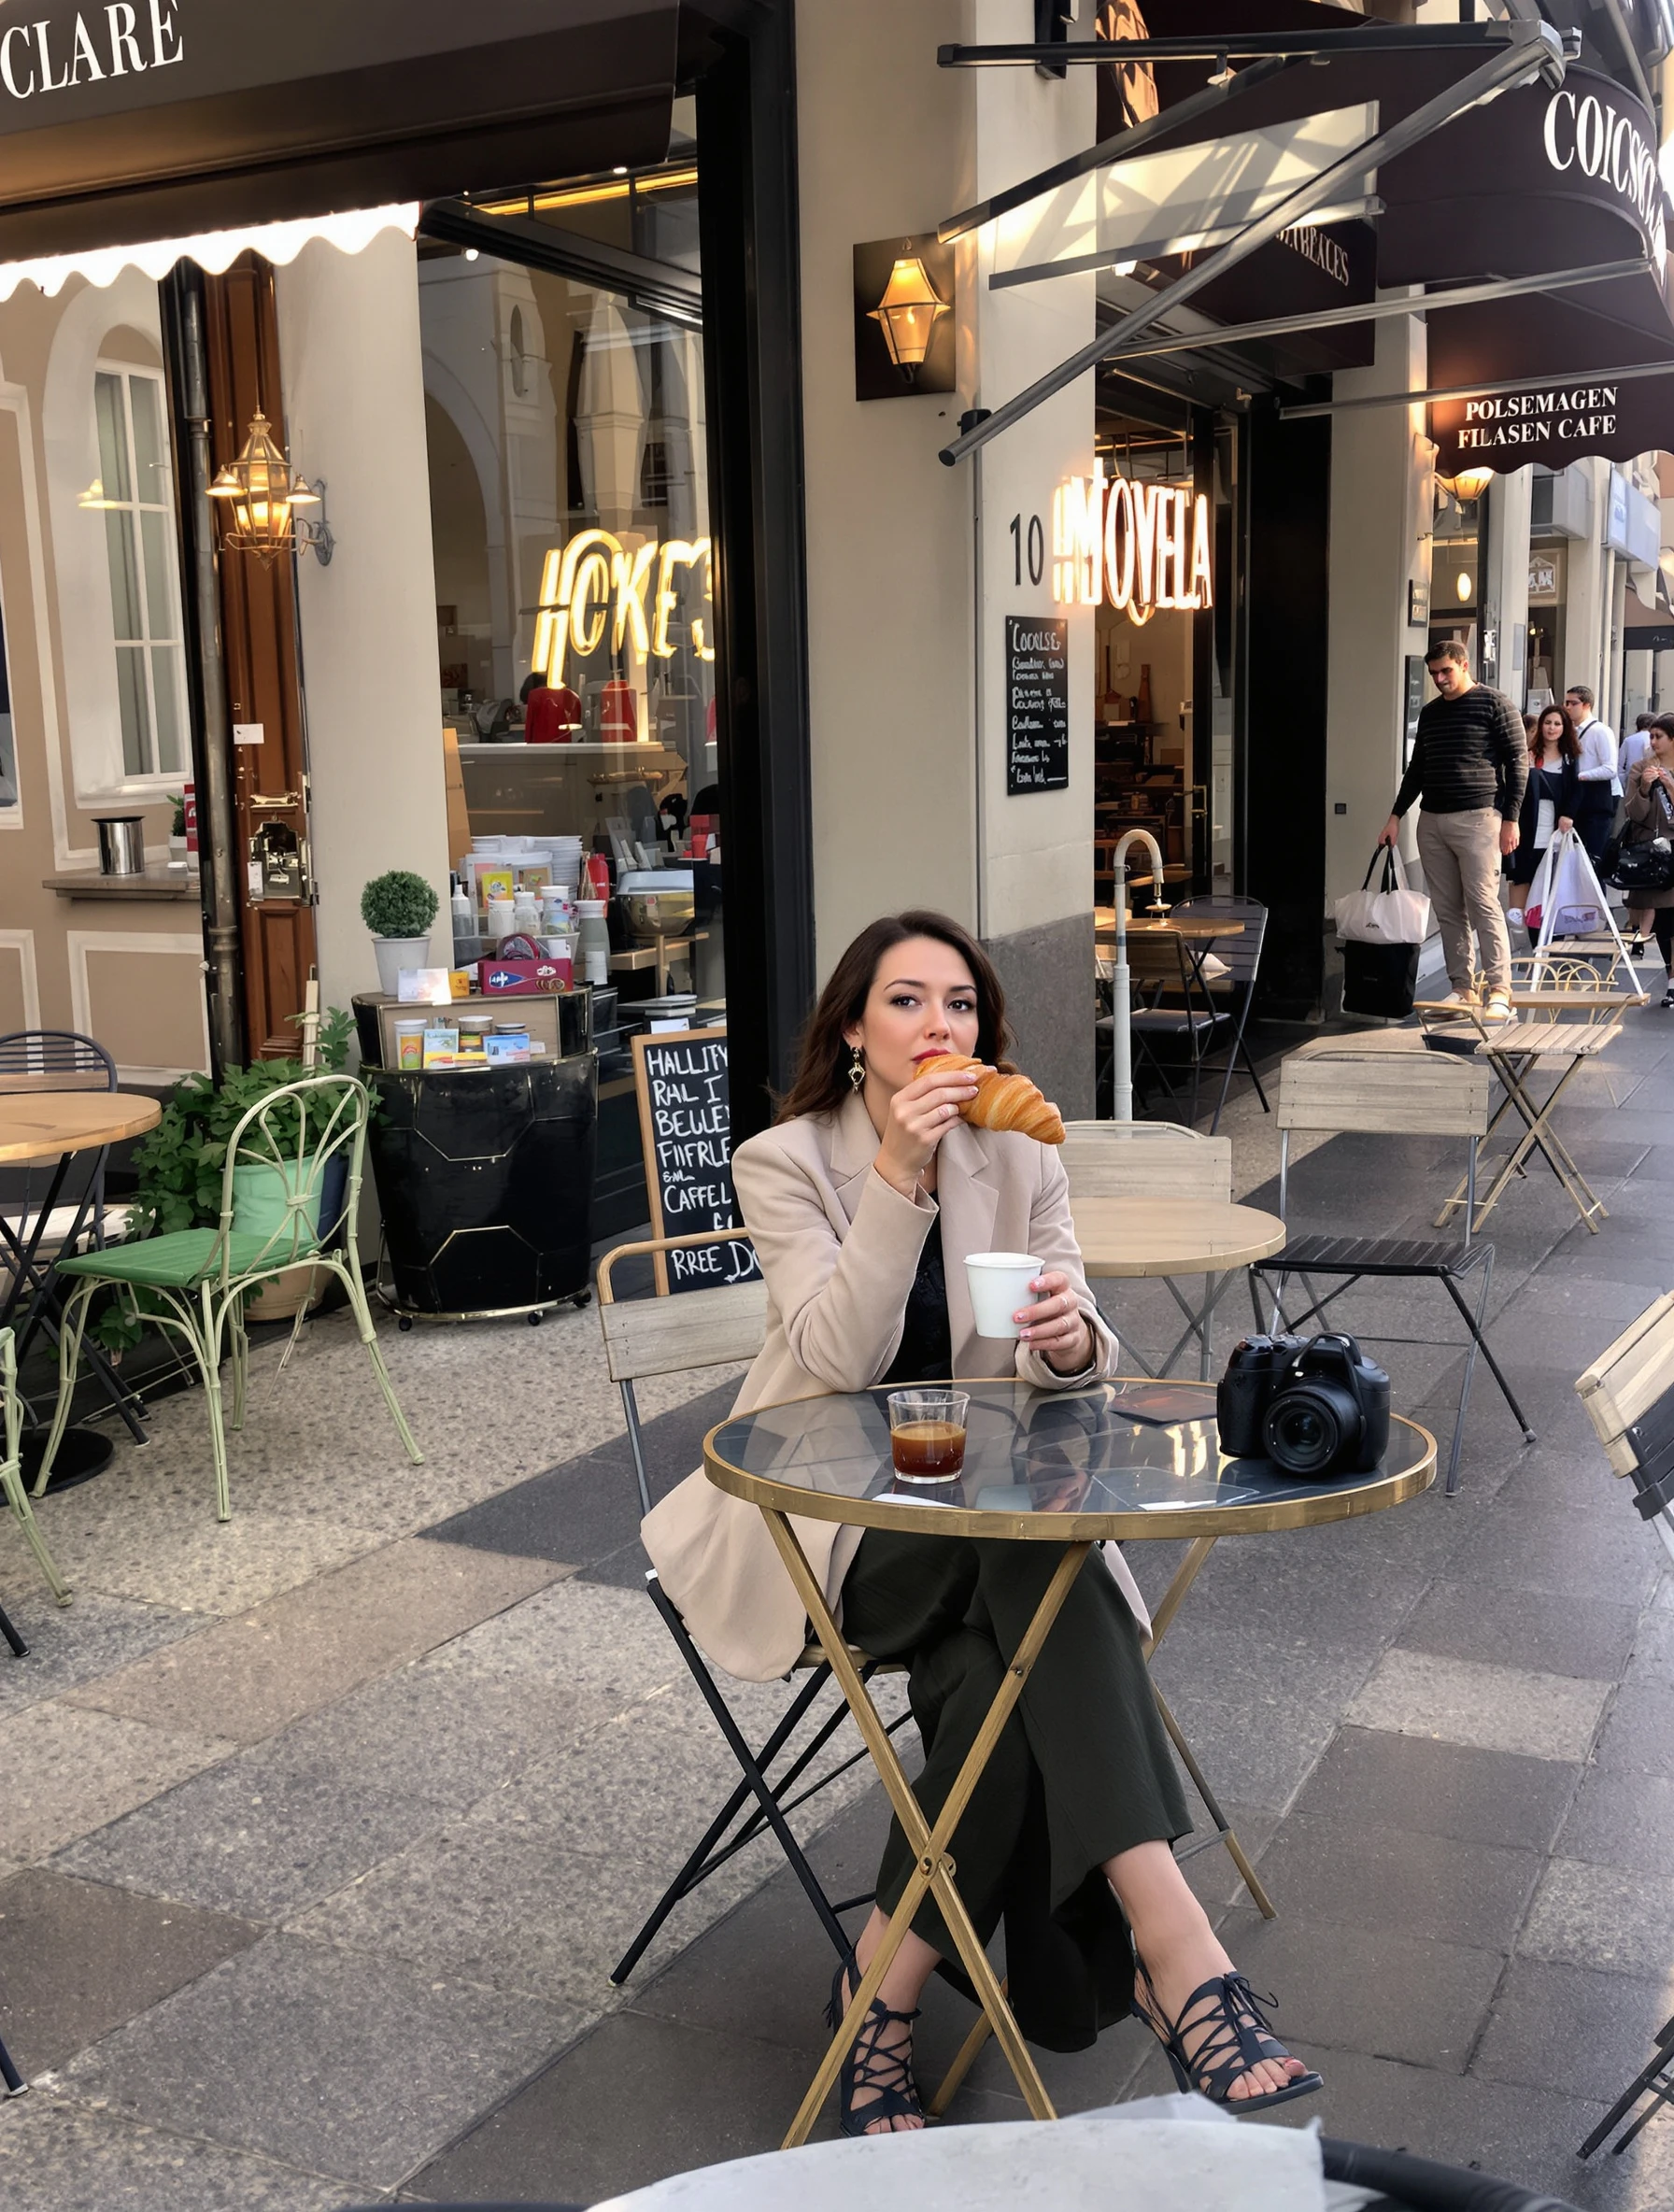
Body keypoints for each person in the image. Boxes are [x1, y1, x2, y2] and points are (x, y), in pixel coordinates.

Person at [643, 912, 1320, 2135]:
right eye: (906, 1001)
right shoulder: (786, 1161)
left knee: (1002, 1669)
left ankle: (879, 1998)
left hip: (980, 1521)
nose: (937, 1026)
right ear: (855, 1030)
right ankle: (1181, 1953)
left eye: (958, 1004)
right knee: (1044, 1572)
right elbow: (834, 1358)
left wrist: (1068, 1341)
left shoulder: (1022, 1157)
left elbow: (1083, 1368)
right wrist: (899, 1178)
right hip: (819, 1523)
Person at [1380, 640, 1526, 1020]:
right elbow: (1417, 768)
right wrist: (1395, 816)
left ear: (1463, 664)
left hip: (1480, 817)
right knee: (1447, 910)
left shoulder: (1495, 703)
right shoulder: (1430, 714)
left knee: (1483, 904)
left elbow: (1518, 763)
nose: (1440, 679)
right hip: (1432, 819)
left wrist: (1511, 819)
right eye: (1434, 674)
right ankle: (1462, 988)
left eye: (1446, 671)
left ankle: (1500, 989)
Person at [1622, 716, 1674, 1010]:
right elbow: (1633, 813)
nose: (1652, 742)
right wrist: (1643, 788)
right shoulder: (1641, 768)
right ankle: (1670, 974)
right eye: (1651, 736)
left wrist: (1670, 785)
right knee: (1665, 919)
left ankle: (1672, 984)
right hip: (1654, 850)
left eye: (1659, 736)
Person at [1508, 703, 1579, 898]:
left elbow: (1577, 791)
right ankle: (1520, 925)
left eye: (1557, 724)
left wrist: (1568, 814)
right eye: (1547, 722)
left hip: (1556, 828)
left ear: (1565, 728)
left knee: (1550, 879)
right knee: (1523, 874)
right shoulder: (1528, 755)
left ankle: (1543, 926)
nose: (1552, 728)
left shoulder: (1570, 759)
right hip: (1529, 824)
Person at [1565, 684, 1618, 862]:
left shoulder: (1601, 731)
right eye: (1566, 703)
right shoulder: (1569, 731)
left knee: (1594, 862)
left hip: (1596, 802)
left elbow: (1610, 768)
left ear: (1586, 705)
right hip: (1576, 803)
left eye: (1573, 703)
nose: (1568, 707)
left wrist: (1581, 775)